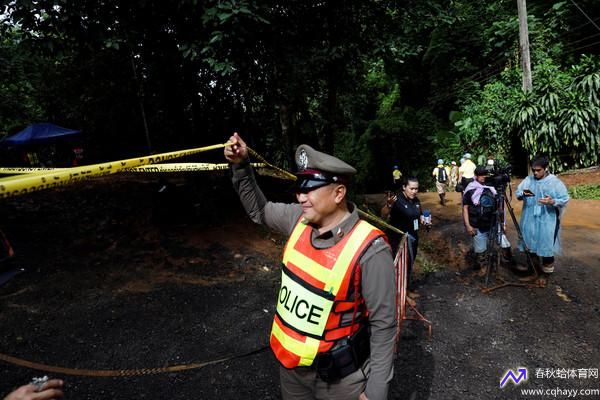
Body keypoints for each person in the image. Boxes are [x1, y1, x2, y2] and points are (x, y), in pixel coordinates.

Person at [225, 133, 396, 400]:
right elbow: (259, 211)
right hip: (292, 372)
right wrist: (240, 166)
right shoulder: (298, 219)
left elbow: (384, 325)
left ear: (339, 192)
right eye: (299, 188)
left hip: (342, 381)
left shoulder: (371, 249)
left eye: (310, 189)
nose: (301, 197)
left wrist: (375, 394)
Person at [516, 155, 569, 287]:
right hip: (529, 219)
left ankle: (545, 275)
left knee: (545, 247)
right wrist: (525, 193)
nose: (535, 173)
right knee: (529, 246)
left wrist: (552, 201)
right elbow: (518, 193)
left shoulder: (554, 182)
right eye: (533, 170)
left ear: (546, 168)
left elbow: (564, 199)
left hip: (546, 220)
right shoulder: (529, 180)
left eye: (538, 170)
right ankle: (533, 271)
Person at [383, 177, 430, 299]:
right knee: (400, 267)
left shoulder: (416, 200)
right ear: (404, 187)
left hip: (413, 237)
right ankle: (400, 295)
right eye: (412, 188)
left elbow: (418, 216)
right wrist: (388, 205)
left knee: (409, 265)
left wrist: (424, 221)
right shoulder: (397, 200)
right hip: (399, 240)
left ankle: (406, 290)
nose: (414, 191)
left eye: (416, 188)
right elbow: (383, 215)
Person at [462, 166, 513, 274]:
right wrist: (468, 225)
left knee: (504, 244)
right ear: (476, 176)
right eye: (481, 175)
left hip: (494, 222)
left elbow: (500, 205)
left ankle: (508, 264)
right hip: (477, 224)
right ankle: (482, 267)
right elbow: (465, 208)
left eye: (485, 175)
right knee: (481, 249)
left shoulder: (491, 187)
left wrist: (503, 223)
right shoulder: (470, 189)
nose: (483, 177)